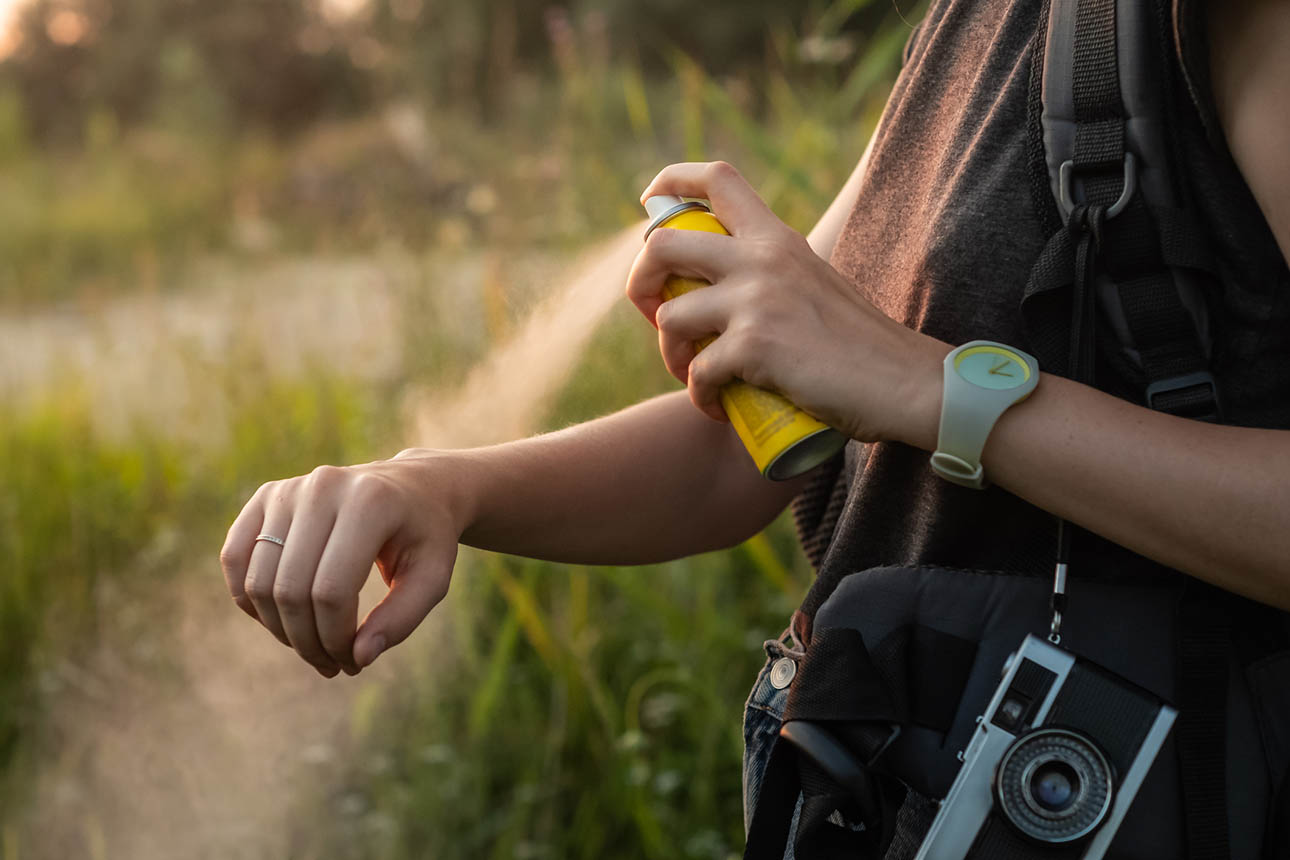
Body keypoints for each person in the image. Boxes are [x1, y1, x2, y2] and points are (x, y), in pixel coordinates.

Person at [219, 0, 1290, 854]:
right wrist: (441, 485)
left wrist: (937, 390)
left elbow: (887, 379)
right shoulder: (980, 24)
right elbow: (746, 446)